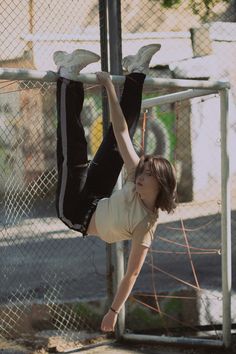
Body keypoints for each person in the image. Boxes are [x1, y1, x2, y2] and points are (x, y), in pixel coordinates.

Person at [54, 44, 177, 332]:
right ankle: (136, 71)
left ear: (160, 185)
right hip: (98, 199)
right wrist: (109, 86)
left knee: (74, 150)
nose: (139, 175)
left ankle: (67, 75)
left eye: (147, 175)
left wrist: (113, 312)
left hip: (75, 214)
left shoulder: (145, 224)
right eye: (142, 171)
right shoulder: (136, 178)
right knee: (116, 144)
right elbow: (121, 131)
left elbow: (132, 273)